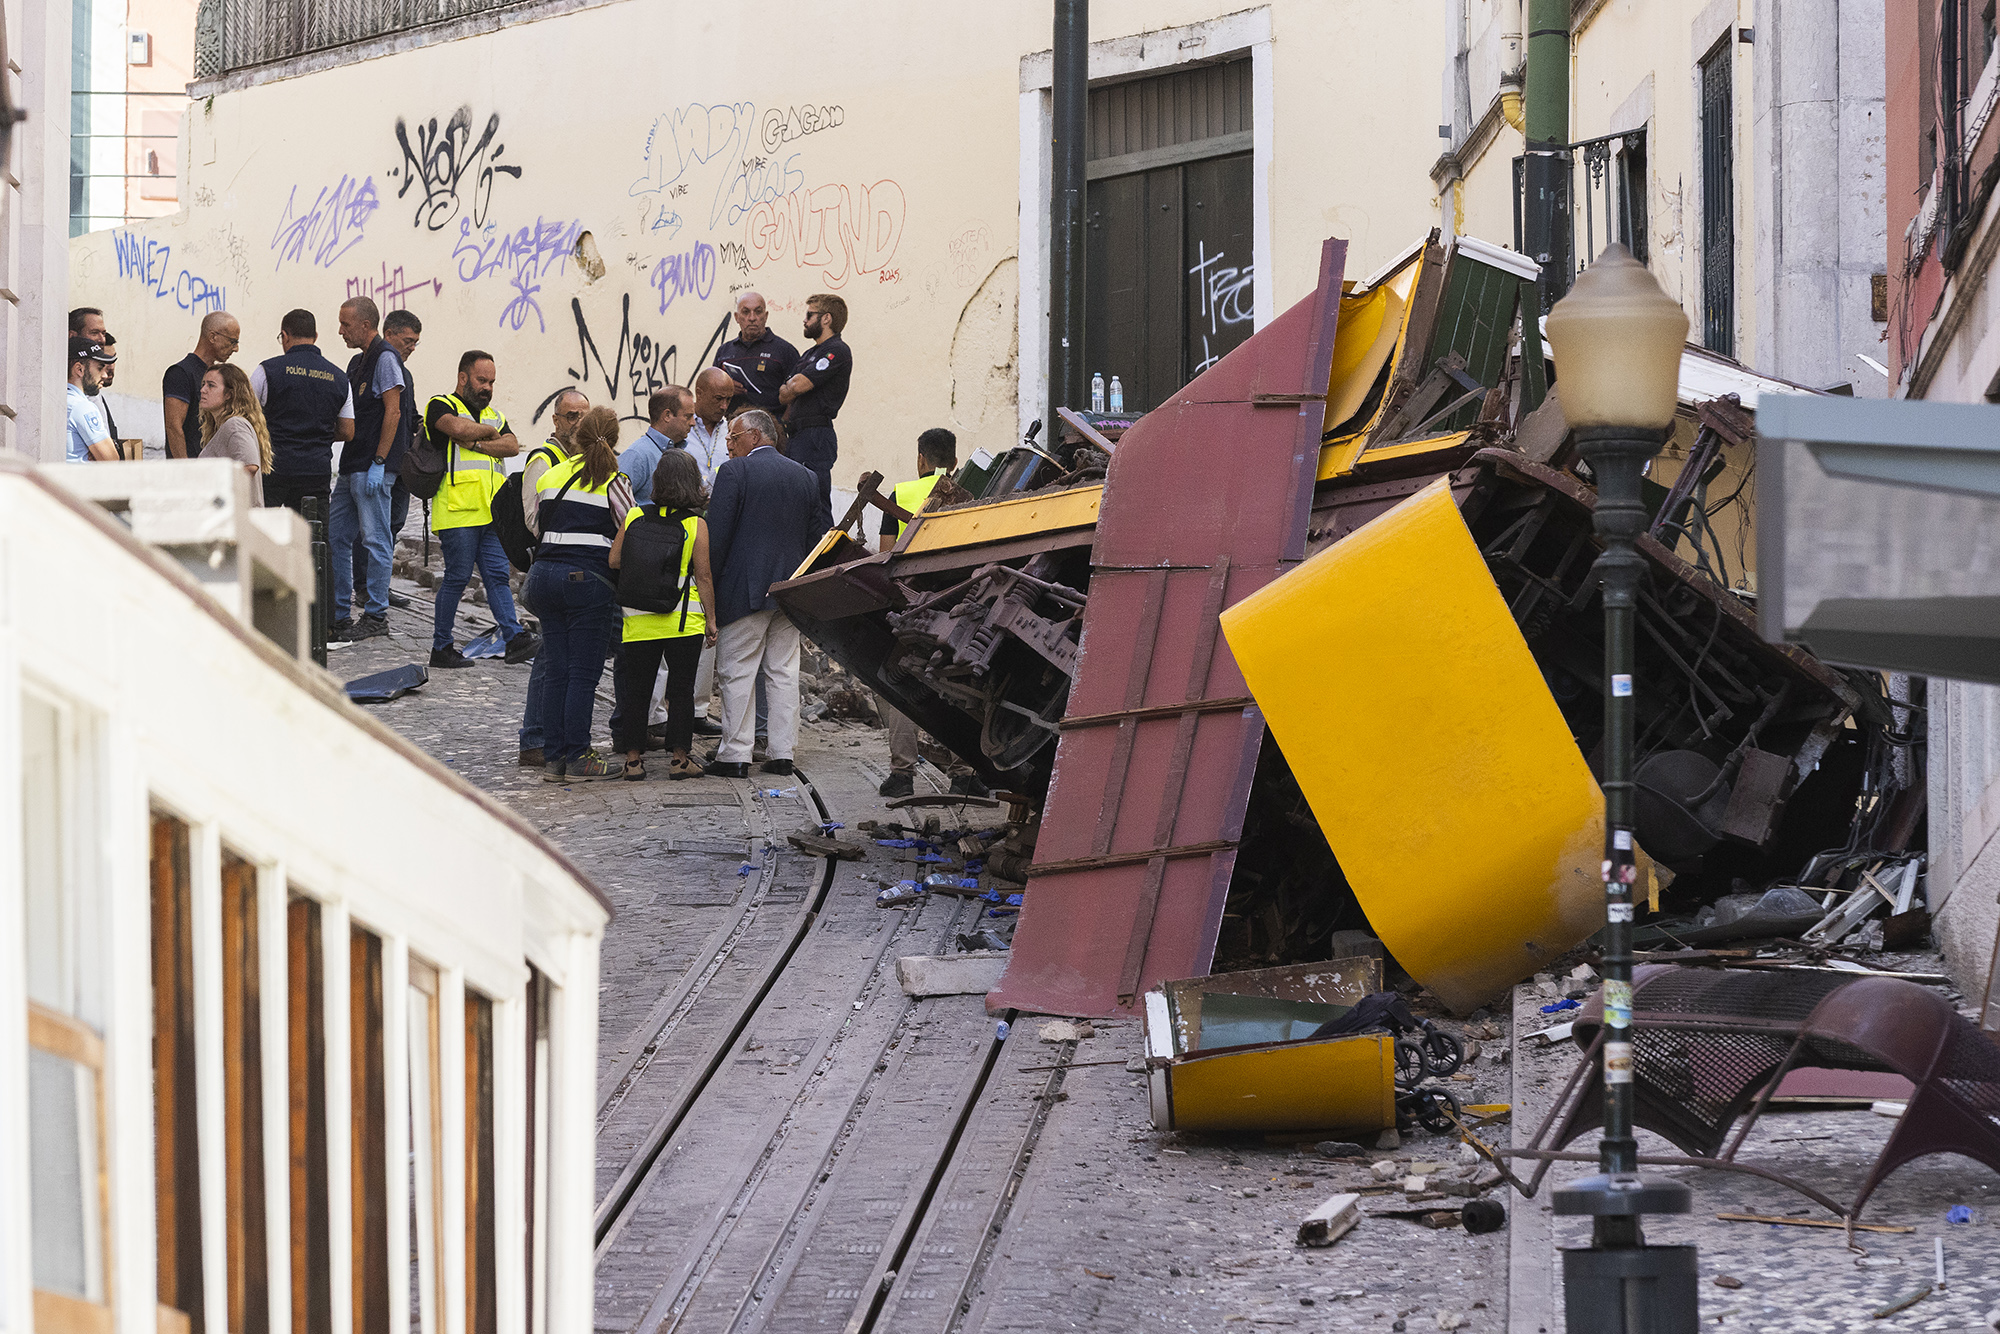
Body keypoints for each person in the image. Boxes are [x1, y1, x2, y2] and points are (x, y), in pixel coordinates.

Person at [704, 409, 820, 778]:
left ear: (754, 436)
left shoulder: (734, 473)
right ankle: (782, 752)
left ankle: (736, 754)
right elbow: (815, 538)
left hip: (743, 588)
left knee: (737, 670)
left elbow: (717, 536)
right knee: (784, 671)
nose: (728, 448)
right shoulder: (807, 476)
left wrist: (711, 587)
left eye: (733, 439)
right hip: (789, 591)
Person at [872, 428, 987, 798]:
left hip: (910, 605)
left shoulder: (900, 494)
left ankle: (902, 775)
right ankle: (965, 774)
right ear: (954, 462)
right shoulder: (973, 495)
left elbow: (885, 557)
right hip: (959, 604)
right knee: (956, 684)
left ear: (920, 459)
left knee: (901, 684)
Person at [526, 405, 632, 782]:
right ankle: (579, 756)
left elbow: (537, 526)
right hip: (586, 582)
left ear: (578, 436)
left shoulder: (551, 475)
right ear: (614, 439)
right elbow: (628, 529)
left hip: (542, 578)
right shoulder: (614, 479)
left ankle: (554, 758)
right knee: (583, 675)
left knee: (557, 670)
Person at [425, 349, 538, 669]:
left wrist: (478, 440)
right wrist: (488, 434)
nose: (487, 387)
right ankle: (442, 647)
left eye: (492, 382)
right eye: (481, 380)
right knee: (457, 578)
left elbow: (512, 446)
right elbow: (456, 429)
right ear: (463, 378)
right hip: (458, 510)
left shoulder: (495, 416)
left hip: (491, 515)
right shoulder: (441, 405)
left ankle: (514, 637)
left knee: (498, 577)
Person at [610, 449, 717, 780]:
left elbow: (614, 560)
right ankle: (680, 760)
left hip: (639, 619)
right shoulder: (695, 525)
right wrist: (712, 621)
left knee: (636, 689)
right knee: (681, 690)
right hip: (683, 621)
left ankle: (632, 760)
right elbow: (704, 577)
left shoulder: (634, 516)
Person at [329, 297, 408, 643]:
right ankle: (339, 612)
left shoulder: (385, 358)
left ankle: (376, 614)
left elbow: (393, 411)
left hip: (371, 465)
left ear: (365, 324)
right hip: (352, 464)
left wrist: (380, 461)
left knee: (376, 540)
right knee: (335, 537)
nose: (341, 330)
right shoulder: (356, 362)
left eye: (346, 324)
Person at [518, 388, 589, 768]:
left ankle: (551, 735)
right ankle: (534, 737)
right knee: (550, 655)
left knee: (562, 655)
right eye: (571, 416)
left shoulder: (582, 460)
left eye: (583, 415)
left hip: (572, 566)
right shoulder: (543, 461)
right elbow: (533, 520)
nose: (578, 422)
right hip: (551, 566)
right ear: (556, 420)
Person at [251, 309, 355, 516]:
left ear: (285, 335)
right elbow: (347, 431)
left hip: (273, 468)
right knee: (313, 539)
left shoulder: (266, 370)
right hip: (315, 471)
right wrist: (318, 432)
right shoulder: (340, 378)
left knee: (262, 533)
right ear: (315, 337)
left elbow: (248, 417)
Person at [364, 309, 424, 610]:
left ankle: (378, 588)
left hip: (402, 462)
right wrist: (376, 460)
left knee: (392, 526)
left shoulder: (404, 372)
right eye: (408, 340)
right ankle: (369, 590)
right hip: (382, 462)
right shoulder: (376, 363)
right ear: (389, 334)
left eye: (415, 342)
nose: (411, 347)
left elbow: (408, 414)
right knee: (375, 531)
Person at [777, 293, 851, 531]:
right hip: (797, 436)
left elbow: (796, 386)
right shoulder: (809, 354)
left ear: (826, 319)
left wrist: (794, 386)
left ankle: (825, 558)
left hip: (816, 435)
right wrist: (793, 387)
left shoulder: (836, 350)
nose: (805, 320)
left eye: (810, 315)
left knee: (816, 502)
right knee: (797, 500)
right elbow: (783, 393)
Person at [163, 311, 241, 460]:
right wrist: (186, 468)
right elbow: (173, 427)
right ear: (213, 337)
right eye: (232, 341)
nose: (236, 348)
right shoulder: (181, 373)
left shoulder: (217, 374)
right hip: (191, 469)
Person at [196, 363, 272, 506]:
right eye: (203, 384)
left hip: (238, 521)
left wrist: (217, 498)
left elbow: (250, 466)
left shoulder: (235, 424)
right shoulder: (224, 427)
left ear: (229, 395)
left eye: (211, 385)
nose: (203, 390)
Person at [713, 290, 799, 416]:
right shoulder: (724, 351)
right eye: (746, 312)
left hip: (771, 428)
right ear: (737, 317)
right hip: (731, 428)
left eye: (758, 312)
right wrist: (726, 388)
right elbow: (711, 390)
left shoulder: (785, 350)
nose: (752, 318)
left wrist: (784, 426)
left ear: (766, 316)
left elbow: (797, 396)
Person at [618, 386, 695, 505]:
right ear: (667, 415)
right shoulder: (637, 455)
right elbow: (616, 501)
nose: (693, 423)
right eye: (688, 416)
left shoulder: (683, 451)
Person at [65, 336, 116, 462]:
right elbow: (111, 460)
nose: (104, 375)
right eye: (99, 368)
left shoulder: (58, 401)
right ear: (79, 369)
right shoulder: (81, 406)